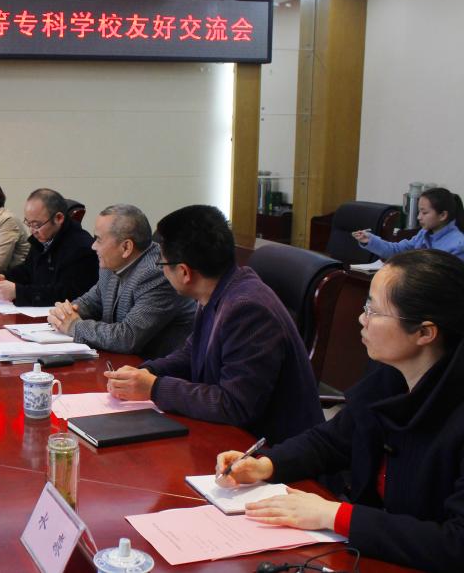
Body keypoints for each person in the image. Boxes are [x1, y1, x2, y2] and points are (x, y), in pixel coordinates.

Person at [215, 249, 464, 571]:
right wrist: (266, 464)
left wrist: (336, 515)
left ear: (425, 333)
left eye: (374, 310)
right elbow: (332, 440)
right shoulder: (391, 375)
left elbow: (456, 542)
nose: (362, 318)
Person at [105, 205, 322, 444]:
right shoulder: (217, 288)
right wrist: (147, 372)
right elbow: (191, 353)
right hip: (231, 436)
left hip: (268, 449)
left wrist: (155, 388)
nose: (162, 271)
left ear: (184, 272)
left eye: (162, 264)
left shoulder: (247, 309)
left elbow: (234, 404)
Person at [47, 204, 194, 357]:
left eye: (98, 240)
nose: (93, 246)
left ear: (126, 247)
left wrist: (74, 326)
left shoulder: (156, 274)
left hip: (157, 366)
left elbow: (127, 338)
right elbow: (91, 302)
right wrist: (65, 313)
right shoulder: (110, 264)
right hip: (123, 363)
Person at [0, 188, 98, 306]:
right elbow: (28, 270)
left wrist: (18, 292)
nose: (32, 231)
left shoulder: (81, 248)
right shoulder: (43, 238)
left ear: (58, 218)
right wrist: (5, 277)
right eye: (28, 223)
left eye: (37, 225)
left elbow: (67, 293)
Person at [353, 186, 464, 261]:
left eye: (424, 212)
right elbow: (396, 251)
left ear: (443, 215)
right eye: (419, 211)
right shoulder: (423, 233)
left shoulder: (458, 245)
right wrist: (370, 240)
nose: (418, 217)